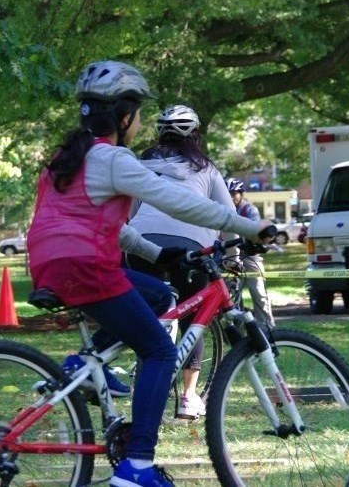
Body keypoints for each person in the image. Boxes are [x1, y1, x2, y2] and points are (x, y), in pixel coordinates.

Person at [26, 60, 273, 487]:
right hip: (88, 266)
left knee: (160, 296)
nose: (140, 123)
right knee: (159, 351)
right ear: (124, 117)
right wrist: (251, 226)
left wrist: (158, 254)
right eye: (138, 114)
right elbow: (181, 202)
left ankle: (83, 365)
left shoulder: (66, 160)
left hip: (51, 263)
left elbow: (114, 228)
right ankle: (137, 466)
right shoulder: (113, 159)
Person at [127, 104, 234, 420]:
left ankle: (146, 388)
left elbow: (130, 213)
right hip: (190, 246)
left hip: (141, 244)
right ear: (196, 135)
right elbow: (228, 217)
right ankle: (188, 397)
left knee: (150, 320)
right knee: (194, 317)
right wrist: (232, 256)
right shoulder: (206, 169)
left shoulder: (142, 165)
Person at [228, 179, 275, 328]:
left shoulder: (249, 209)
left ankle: (267, 327)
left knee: (259, 292)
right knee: (231, 294)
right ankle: (237, 330)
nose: (231, 197)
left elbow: (254, 230)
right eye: (228, 193)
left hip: (250, 255)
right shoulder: (223, 209)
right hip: (230, 255)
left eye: (234, 193)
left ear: (241, 194)